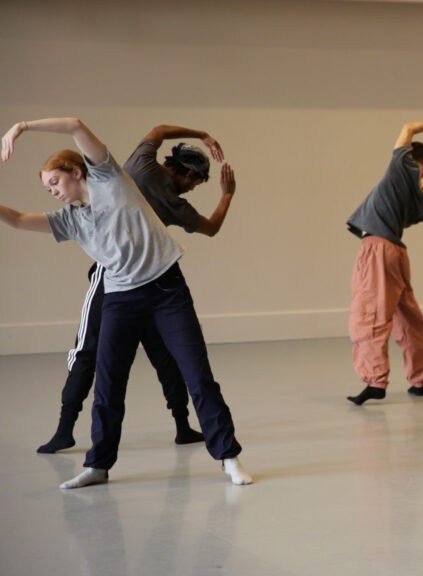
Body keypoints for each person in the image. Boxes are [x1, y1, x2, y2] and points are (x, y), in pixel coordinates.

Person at [1, 117, 252, 488]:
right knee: (109, 384)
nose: (52, 191)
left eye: (55, 182)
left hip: (167, 291)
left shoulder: (109, 178)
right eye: (47, 187)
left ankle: (229, 458)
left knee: (198, 376)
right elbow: (20, 219)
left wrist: (20, 127)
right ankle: (98, 466)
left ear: (76, 171)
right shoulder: (70, 220)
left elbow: (74, 124)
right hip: (120, 298)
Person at [37, 124, 234, 454]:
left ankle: (181, 426)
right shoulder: (175, 204)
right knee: (92, 351)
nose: (192, 189)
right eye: (195, 182)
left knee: (153, 355)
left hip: (148, 280)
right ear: (187, 174)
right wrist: (227, 194)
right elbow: (212, 228)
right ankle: (67, 428)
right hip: (113, 279)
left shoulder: (141, 164)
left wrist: (202, 133)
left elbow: (158, 130)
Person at [345, 122, 423, 405]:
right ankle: (418, 381)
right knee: (409, 316)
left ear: (413, 159)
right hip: (396, 254)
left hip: (377, 249)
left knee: (369, 314)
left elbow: (407, 128)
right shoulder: (420, 197)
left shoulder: (400, 170)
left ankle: (375, 381)